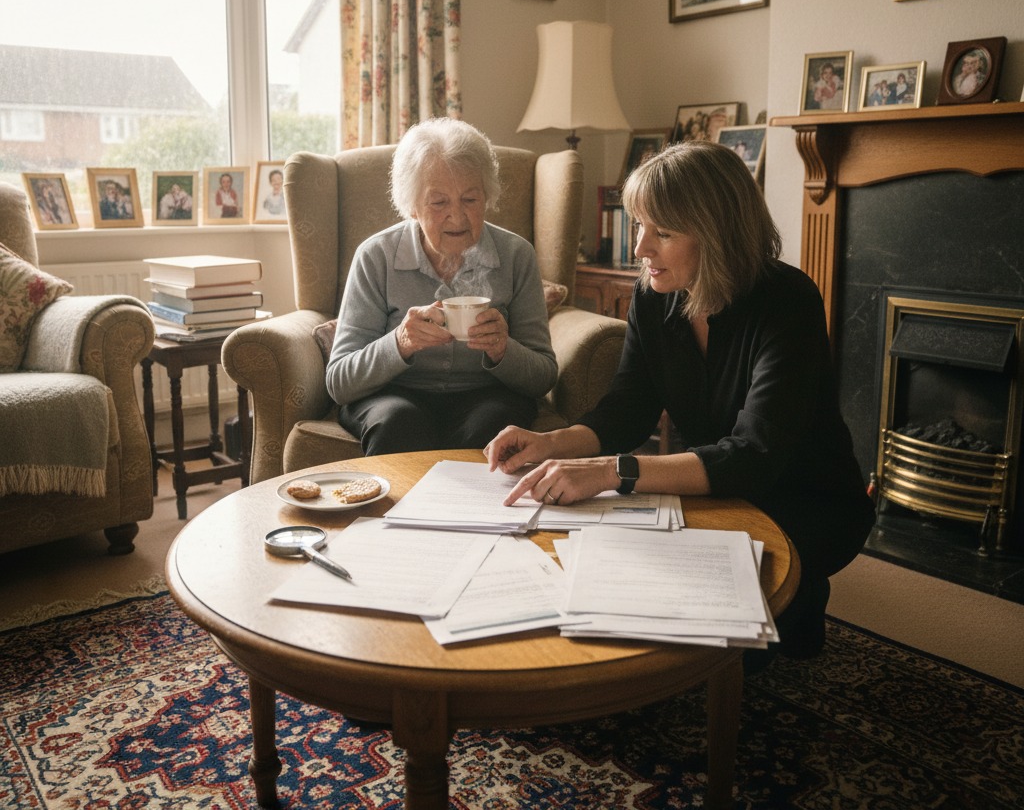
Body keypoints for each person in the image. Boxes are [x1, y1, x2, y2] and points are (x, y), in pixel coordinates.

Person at [486, 141, 875, 664]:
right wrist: (551, 442)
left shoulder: (790, 302)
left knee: (743, 650)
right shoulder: (654, 294)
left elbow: (754, 453)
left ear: (717, 235)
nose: (640, 247)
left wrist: (609, 472)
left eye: (662, 232)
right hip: (714, 486)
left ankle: (801, 596)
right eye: (640, 224)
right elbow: (628, 406)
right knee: (623, 575)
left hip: (803, 495)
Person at [326, 117, 558, 455]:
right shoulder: (376, 257)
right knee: (398, 422)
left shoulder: (515, 255)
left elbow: (544, 376)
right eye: (439, 202)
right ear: (412, 206)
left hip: (487, 396)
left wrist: (503, 350)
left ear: (487, 198)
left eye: (470, 200)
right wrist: (400, 343)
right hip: (394, 394)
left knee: (492, 425)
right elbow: (339, 382)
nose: (457, 217)